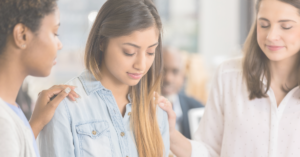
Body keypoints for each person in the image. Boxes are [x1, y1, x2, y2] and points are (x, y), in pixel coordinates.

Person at [159, 0, 300, 156]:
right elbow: (208, 150)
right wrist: (170, 133)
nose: (271, 36)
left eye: (286, 26)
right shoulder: (228, 75)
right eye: (264, 25)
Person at [39, 0, 170, 157]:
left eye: (150, 52)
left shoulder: (155, 109)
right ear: (102, 42)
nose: (141, 65)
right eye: (129, 52)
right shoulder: (65, 106)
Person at [0, 0, 80, 156]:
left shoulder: (9, 112)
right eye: (54, 33)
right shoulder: (3, 124)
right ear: (22, 35)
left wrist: (35, 124)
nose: (60, 45)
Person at [162, 47, 204, 139]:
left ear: (183, 76)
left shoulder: (197, 109)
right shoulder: (135, 110)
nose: (168, 79)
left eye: (175, 71)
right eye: (162, 71)